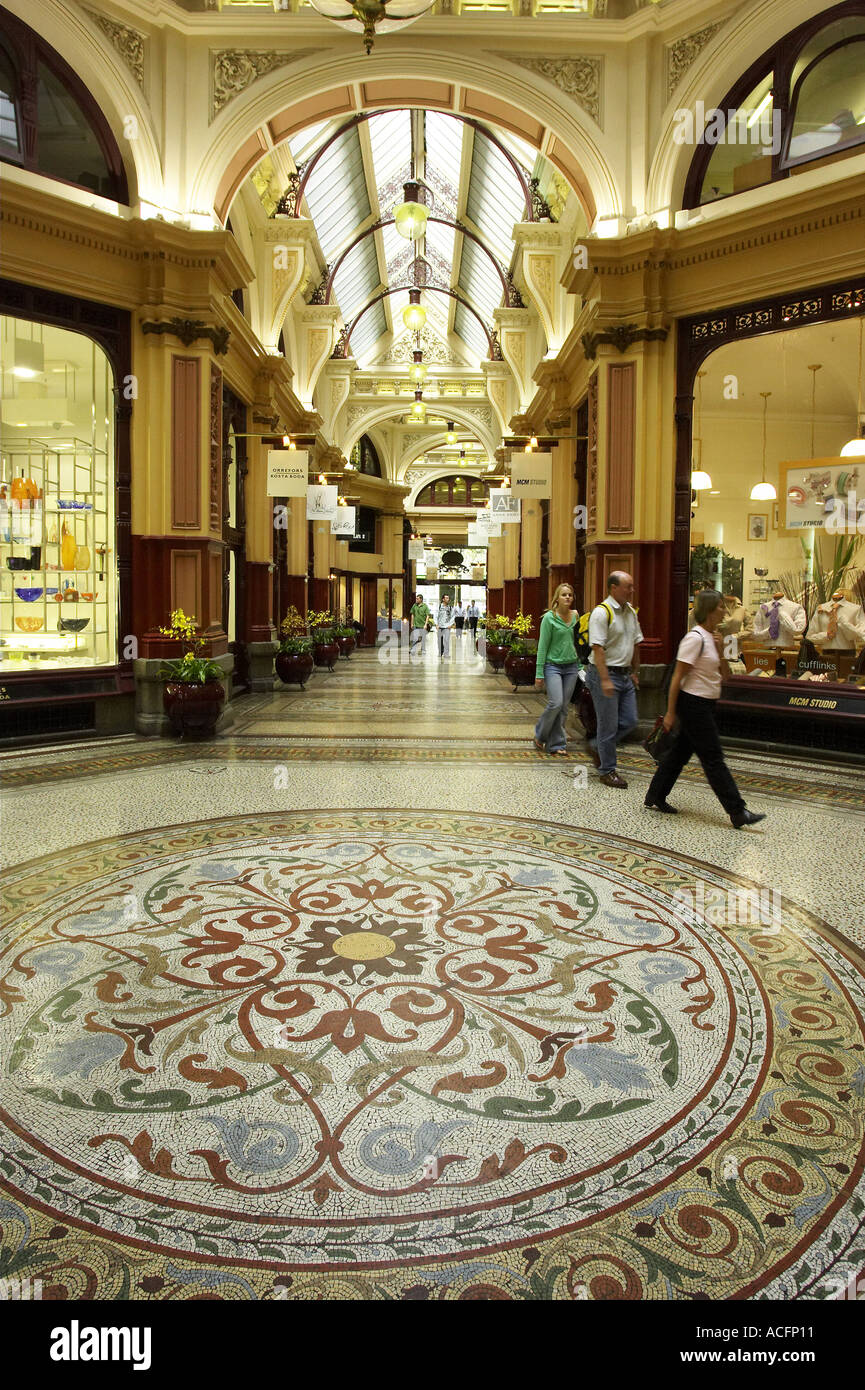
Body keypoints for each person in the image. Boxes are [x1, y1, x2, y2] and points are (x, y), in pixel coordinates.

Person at [645, 589, 766, 828]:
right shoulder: (694, 638)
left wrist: (720, 651)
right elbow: (677, 678)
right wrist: (670, 712)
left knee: (680, 753)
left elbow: (726, 676)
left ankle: (655, 794)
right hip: (693, 705)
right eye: (721, 606)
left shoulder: (714, 638)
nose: (724, 610)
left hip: (707, 704)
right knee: (713, 758)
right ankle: (737, 811)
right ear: (710, 610)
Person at [584, 571, 642, 788]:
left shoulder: (631, 613)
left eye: (632, 586)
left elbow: (637, 642)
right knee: (607, 726)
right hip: (603, 674)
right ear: (613, 588)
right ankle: (607, 770)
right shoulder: (602, 613)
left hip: (625, 675)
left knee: (630, 721)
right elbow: (597, 648)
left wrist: (635, 670)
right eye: (628, 586)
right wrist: (605, 679)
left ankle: (596, 746)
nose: (632, 590)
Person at [533, 584, 579, 756]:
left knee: (564, 707)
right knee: (556, 703)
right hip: (553, 666)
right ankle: (540, 733)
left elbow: (578, 643)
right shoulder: (549, 618)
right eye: (564, 595)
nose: (568, 597)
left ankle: (557, 744)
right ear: (557, 598)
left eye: (570, 595)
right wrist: (539, 673)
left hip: (572, 666)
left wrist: (581, 665)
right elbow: (543, 647)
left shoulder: (575, 616)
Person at [437, 594, 455, 659]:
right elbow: (436, 616)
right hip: (440, 626)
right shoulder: (439, 607)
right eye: (446, 598)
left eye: (448, 598)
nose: (448, 599)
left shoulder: (450, 608)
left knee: (446, 640)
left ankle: (446, 654)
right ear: (443, 599)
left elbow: (453, 616)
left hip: (447, 627)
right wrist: (436, 624)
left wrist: (450, 624)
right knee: (439, 640)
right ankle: (440, 652)